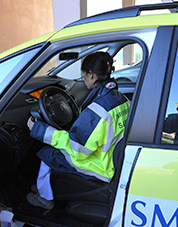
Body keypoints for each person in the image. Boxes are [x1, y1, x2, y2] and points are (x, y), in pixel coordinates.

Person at [26, 51, 130, 209]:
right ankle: (46, 187)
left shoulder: (97, 112)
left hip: (100, 166)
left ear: (92, 75)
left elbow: (78, 149)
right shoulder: (121, 98)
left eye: (84, 76)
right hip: (110, 156)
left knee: (47, 154)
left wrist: (40, 130)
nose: (83, 80)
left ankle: (44, 199)